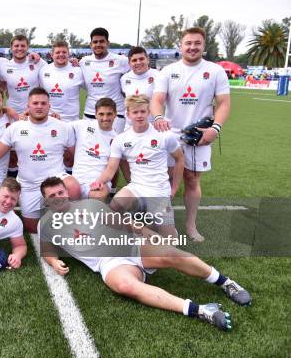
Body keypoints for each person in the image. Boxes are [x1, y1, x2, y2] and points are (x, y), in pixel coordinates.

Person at [38, 176, 251, 331]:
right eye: (52, 196)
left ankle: (225, 282)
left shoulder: (90, 205)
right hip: (108, 262)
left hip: (127, 244)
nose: (58, 197)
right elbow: (48, 251)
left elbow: (125, 223)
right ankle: (203, 310)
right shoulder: (46, 224)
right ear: (46, 201)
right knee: (124, 286)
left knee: (171, 253)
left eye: (60, 192)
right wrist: (54, 262)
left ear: (66, 192)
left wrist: (151, 236)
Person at [150, 27, 231, 242]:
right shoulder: (168, 71)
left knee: (192, 180)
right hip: (171, 134)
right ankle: (165, 225)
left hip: (199, 135)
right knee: (165, 180)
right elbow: (157, 99)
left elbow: (224, 103)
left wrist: (215, 129)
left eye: (197, 43)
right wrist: (158, 118)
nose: (192, 47)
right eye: (188, 43)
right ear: (181, 46)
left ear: (203, 46)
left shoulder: (215, 71)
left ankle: (191, 226)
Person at [0, 87, 81, 234]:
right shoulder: (15, 128)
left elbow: (76, 155)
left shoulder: (62, 127)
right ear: (28, 106)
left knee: (73, 187)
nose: (39, 106)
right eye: (35, 103)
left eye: (43, 103)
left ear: (49, 106)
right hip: (28, 184)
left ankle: (68, 223)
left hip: (55, 179)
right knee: (31, 229)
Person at [92, 95, 184, 238]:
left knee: (170, 241)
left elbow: (179, 158)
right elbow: (111, 169)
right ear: (128, 114)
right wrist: (99, 181)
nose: (139, 115)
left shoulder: (164, 135)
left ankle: (166, 230)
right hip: (136, 188)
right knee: (113, 210)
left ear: (148, 112)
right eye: (135, 112)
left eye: (142, 111)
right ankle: (134, 232)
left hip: (158, 191)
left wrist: (174, 188)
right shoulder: (121, 139)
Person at [79, 27, 130, 133]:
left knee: (113, 148)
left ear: (108, 43)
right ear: (91, 44)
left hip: (115, 114)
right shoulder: (84, 62)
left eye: (102, 41)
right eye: (95, 42)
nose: (98, 44)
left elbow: (138, 71)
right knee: (91, 148)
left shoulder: (121, 60)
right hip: (90, 113)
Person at [70, 97, 118, 201]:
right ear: (95, 114)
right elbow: (58, 127)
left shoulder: (117, 139)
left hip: (101, 182)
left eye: (109, 114)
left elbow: (112, 169)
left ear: (115, 114)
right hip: (76, 181)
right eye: (101, 114)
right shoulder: (82, 125)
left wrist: (98, 182)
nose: (105, 118)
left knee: (98, 196)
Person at [38, 40, 85, 121]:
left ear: (69, 54)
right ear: (52, 55)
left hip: (71, 121)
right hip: (49, 120)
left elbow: (91, 90)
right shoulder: (43, 70)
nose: (61, 54)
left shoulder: (78, 70)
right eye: (57, 52)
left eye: (64, 52)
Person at [0, 34, 46, 113]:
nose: (20, 48)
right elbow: (1, 89)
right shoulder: (4, 66)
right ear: (11, 48)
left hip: (34, 112)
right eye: (16, 46)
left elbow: (55, 69)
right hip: (13, 113)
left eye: (23, 46)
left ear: (27, 48)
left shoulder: (38, 62)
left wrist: (73, 62)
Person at [121, 46, 159, 128]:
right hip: (130, 127)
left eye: (141, 59)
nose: (138, 62)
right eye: (134, 60)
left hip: (152, 127)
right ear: (129, 63)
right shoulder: (124, 78)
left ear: (147, 59)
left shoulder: (158, 76)